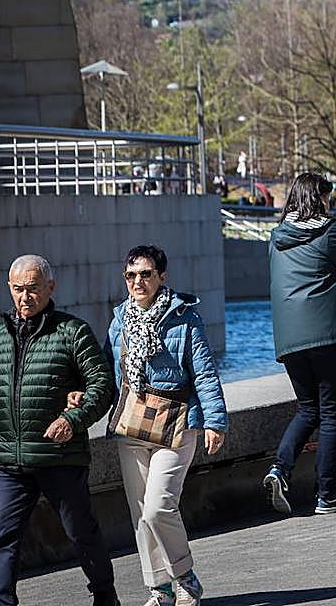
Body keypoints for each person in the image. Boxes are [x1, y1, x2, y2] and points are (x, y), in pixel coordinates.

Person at [0, 256, 118, 606]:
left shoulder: (72, 332)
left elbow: (103, 385)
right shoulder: (0, 335)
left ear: (50, 288)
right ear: (9, 289)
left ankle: (105, 596)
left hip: (59, 457)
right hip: (9, 460)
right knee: (2, 536)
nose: (25, 297)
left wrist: (72, 421)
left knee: (80, 532)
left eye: (32, 288)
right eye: (18, 289)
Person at [104, 245, 228, 606]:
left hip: (178, 420)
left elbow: (204, 372)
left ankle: (184, 575)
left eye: (145, 274)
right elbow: (110, 372)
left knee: (159, 506)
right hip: (132, 420)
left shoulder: (185, 317)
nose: (137, 282)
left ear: (162, 276)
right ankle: (160, 589)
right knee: (141, 511)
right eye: (131, 275)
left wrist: (215, 421)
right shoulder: (119, 320)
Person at [263, 172, 336, 515]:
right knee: (332, 412)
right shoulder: (328, 230)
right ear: (320, 198)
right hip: (327, 333)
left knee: (308, 408)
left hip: (290, 338)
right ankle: (327, 494)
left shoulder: (276, 238)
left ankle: (280, 467)